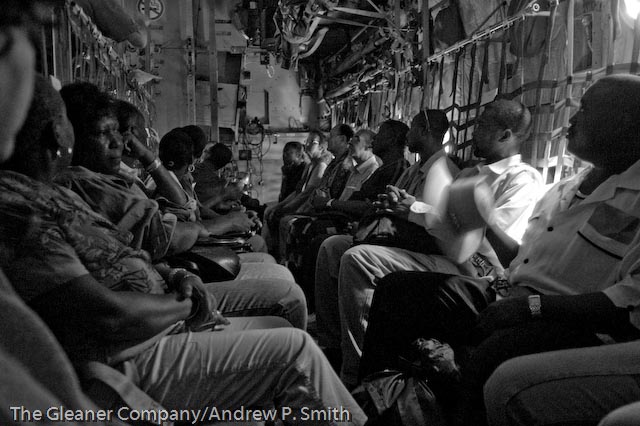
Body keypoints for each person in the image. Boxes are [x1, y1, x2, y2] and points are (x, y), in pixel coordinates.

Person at [0, 75, 368, 426]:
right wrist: (189, 304)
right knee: (297, 350)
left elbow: (130, 253)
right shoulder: (26, 211)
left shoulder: (53, 194)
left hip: (160, 311)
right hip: (129, 352)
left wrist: (176, 276)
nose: (122, 144)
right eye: (107, 133)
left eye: (124, 135)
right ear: (59, 134)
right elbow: (109, 313)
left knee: (281, 323)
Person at [360, 75, 640, 426]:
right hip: (507, 290)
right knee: (397, 290)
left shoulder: (631, 199)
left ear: (626, 122)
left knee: (494, 352)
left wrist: (530, 307)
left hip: (565, 319)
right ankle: (379, 400)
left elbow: (627, 303)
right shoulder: (566, 188)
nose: (571, 119)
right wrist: (484, 219)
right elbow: (520, 259)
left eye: (585, 109)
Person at [314, 109, 460, 384]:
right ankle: (332, 343)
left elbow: (441, 224)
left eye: (414, 128)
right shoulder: (415, 169)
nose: (408, 134)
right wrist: (385, 207)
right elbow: (390, 205)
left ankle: (357, 370)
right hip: (396, 238)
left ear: (426, 132)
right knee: (331, 247)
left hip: (423, 249)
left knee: (355, 258)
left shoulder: (445, 172)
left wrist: (404, 209)